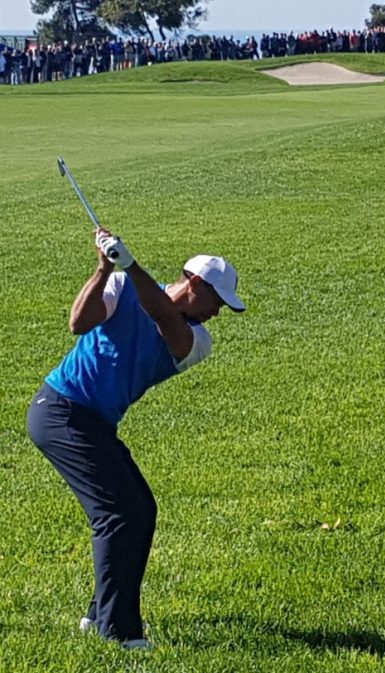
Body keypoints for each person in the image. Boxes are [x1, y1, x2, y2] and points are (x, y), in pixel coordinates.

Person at [27, 228, 244, 647]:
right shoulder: (123, 286)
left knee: (139, 511)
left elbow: (163, 317)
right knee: (118, 514)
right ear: (194, 283)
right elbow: (78, 323)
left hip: (90, 422)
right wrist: (105, 268)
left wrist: (129, 265)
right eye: (217, 300)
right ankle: (120, 633)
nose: (217, 312)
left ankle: (99, 616)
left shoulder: (198, 340)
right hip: (59, 411)